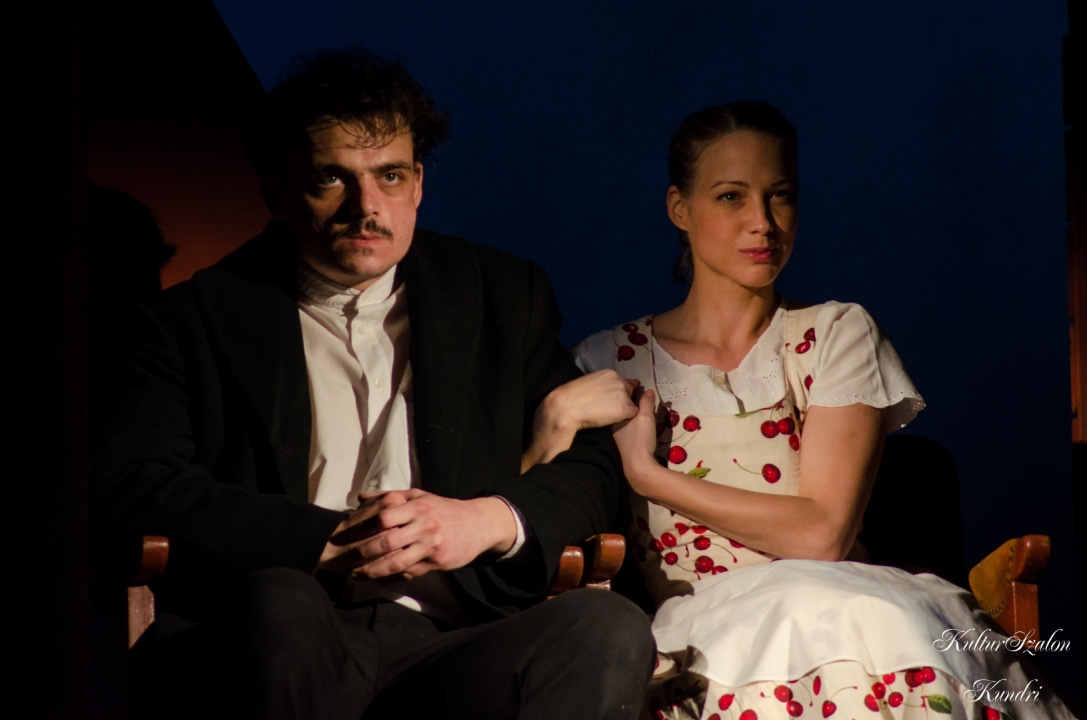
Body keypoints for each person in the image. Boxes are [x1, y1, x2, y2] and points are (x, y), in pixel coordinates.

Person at [92, 49, 655, 720]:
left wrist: (485, 520)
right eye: (332, 178)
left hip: (455, 636)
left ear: (417, 184)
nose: (366, 207)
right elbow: (132, 483)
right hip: (278, 635)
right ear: (277, 193)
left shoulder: (502, 294)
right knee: (282, 601)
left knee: (605, 626)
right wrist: (319, 541)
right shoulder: (190, 321)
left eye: (389, 176)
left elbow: (594, 471)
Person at [526, 102, 1074, 719]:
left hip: (842, 606)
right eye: (731, 197)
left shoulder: (835, 334)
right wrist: (553, 420)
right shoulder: (609, 360)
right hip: (712, 629)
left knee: (877, 630)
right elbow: (537, 518)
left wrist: (648, 476)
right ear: (680, 208)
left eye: (780, 196)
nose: (762, 223)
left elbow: (822, 534)